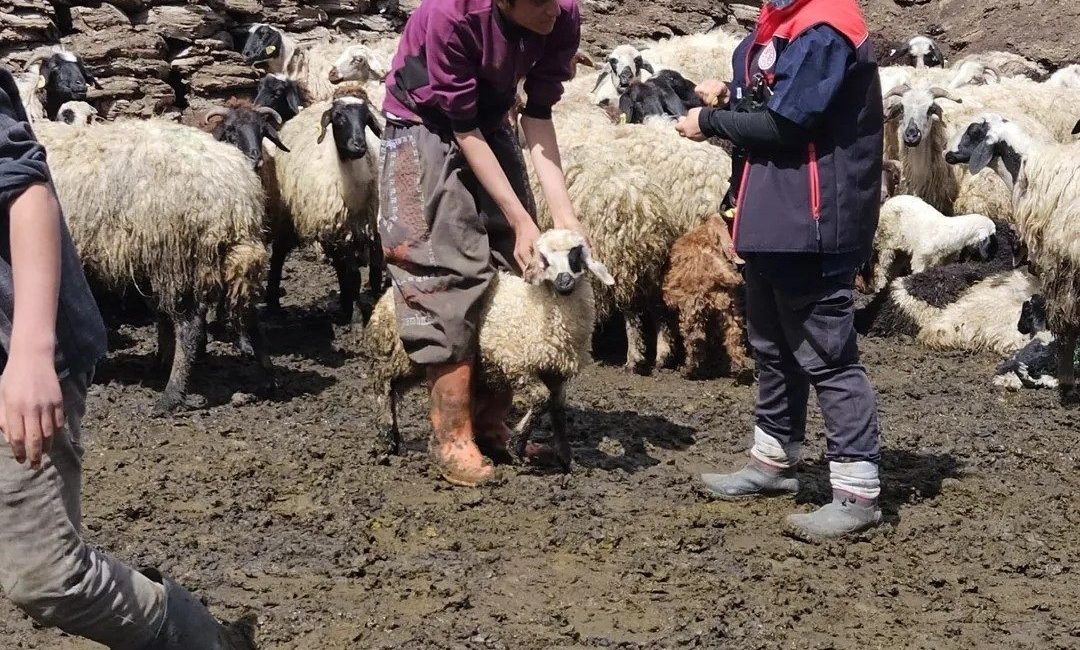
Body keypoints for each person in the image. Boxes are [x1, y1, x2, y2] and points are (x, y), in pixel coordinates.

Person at [0, 67, 251, 649]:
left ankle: (204, 641)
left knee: (48, 576)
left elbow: (24, 189)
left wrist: (32, 351)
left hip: (18, 361)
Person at [675, 0, 885, 541]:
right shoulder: (784, 23)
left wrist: (710, 121)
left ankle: (857, 492)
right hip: (773, 216)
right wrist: (731, 96)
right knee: (771, 345)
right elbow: (774, 96)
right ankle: (772, 461)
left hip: (811, 221)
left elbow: (789, 123)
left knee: (828, 356)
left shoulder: (825, 29)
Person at [380, 0, 587, 486]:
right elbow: (461, 126)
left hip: (491, 121)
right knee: (446, 267)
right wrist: (519, 217)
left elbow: (538, 114)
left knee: (516, 264)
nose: (552, 11)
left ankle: (492, 423)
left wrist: (563, 218)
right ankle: (451, 433)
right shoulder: (452, 16)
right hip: (424, 123)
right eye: (539, 2)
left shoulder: (561, 15)